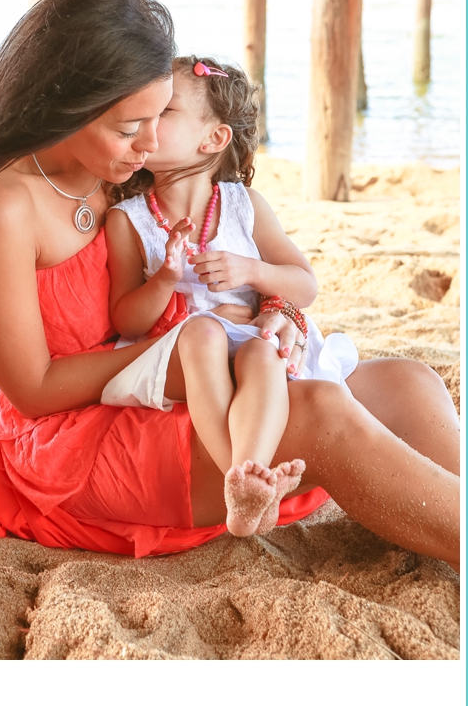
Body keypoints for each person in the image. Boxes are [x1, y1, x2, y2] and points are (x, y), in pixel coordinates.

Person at [0, 0, 459, 568]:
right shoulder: (5, 204)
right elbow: (32, 390)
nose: (148, 145)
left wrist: (280, 313)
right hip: (77, 432)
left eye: (158, 118)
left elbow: (230, 250)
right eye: (131, 129)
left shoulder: (124, 170)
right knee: (323, 414)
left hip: (187, 380)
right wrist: (174, 349)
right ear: (70, 105)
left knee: (408, 384)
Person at [102, 55, 357, 536]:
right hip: (186, 348)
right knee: (202, 333)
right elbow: (127, 320)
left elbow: (305, 284)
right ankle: (235, 479)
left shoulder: (244, 206)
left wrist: (253, 270)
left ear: (214, 139)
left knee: (264, 355)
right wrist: (163, 280)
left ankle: (249, 477)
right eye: (143, 111)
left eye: (165, 112)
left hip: (249, 336)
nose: (146, 124)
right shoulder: (129, 221)